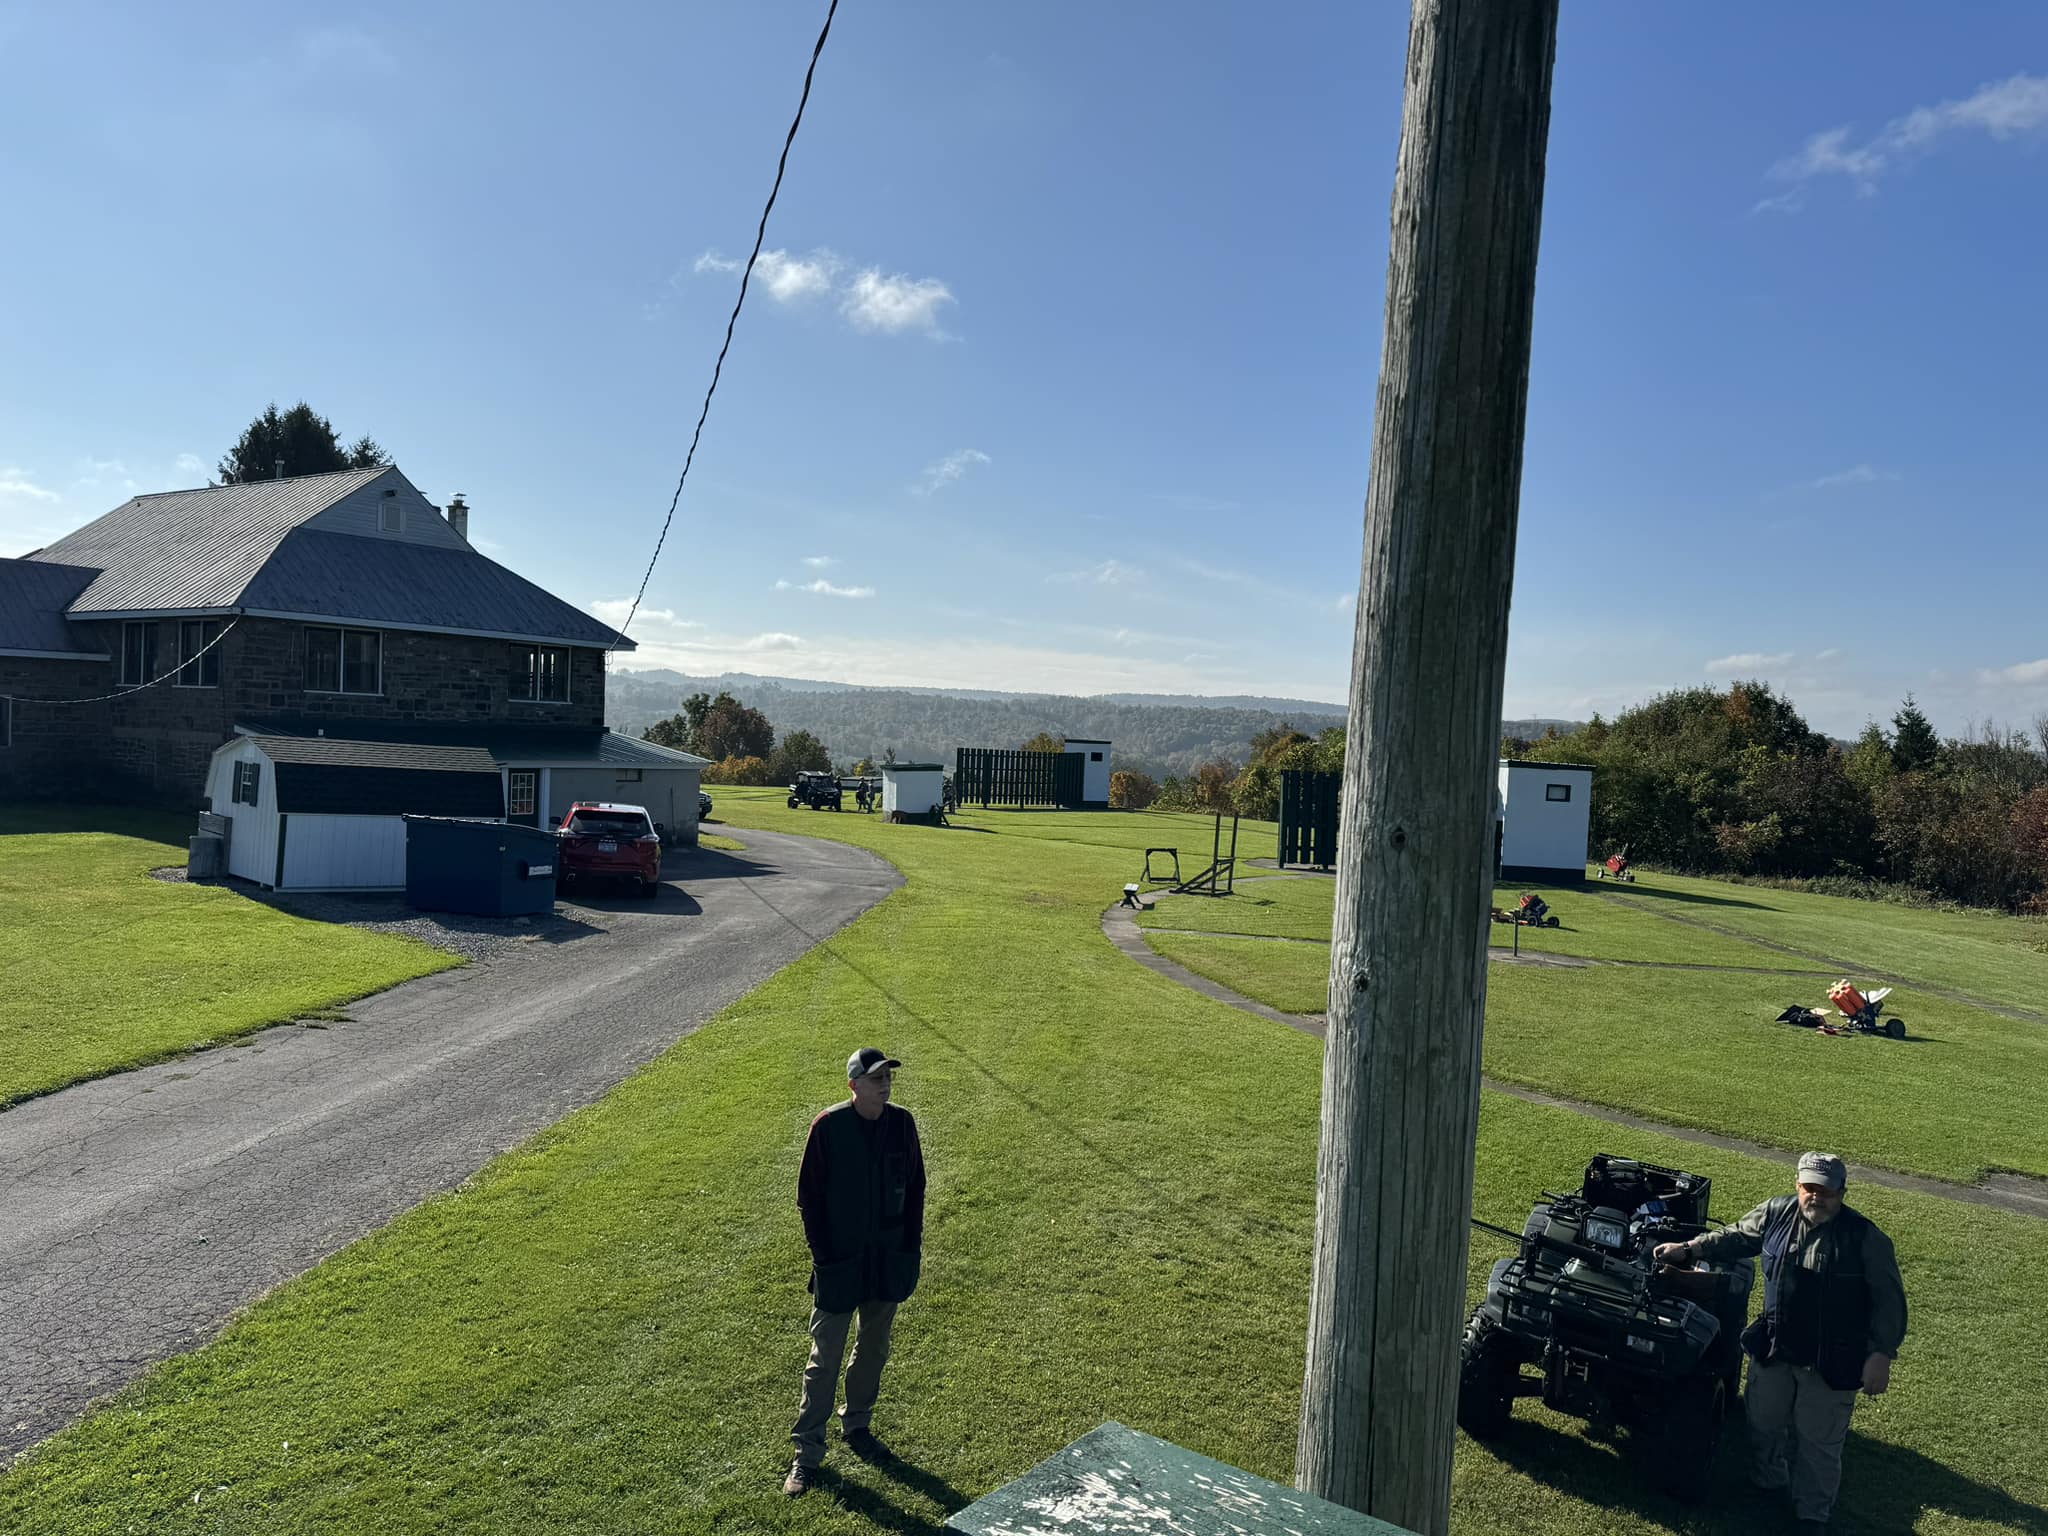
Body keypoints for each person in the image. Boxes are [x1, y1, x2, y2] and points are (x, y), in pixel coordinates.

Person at [1654, 1153, 1906, 1530]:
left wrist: (1881, 1354)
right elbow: (1736, 1237)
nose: (1816, 1197)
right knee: (1762, 1422)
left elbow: (1889, 1302)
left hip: (1830, 1358)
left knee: (1818, 1443)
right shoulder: (1776, 1212)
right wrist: (1689, 1249)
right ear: (1797, 1185)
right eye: (1809, 1187)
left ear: (1841, 1192)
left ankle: (1811, 1515)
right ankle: (1767, 1481)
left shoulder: (1866, 1238)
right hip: (1775, 1346)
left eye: (1825, 1191)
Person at [784, 1047, 926, 1496]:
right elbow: (809, 1197)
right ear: (853, 1085)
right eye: (875, 1078)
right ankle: (807, 1454)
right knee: (824, 1358)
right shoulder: (828, 1127)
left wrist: (910, 1248)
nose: (885, 1084)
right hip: (840, 1263)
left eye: (888, 1077)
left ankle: (857, 1425)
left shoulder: (902, 1124)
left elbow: (916, 1187)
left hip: (886, 1259)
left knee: (874, 1348)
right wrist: (824, 1256)